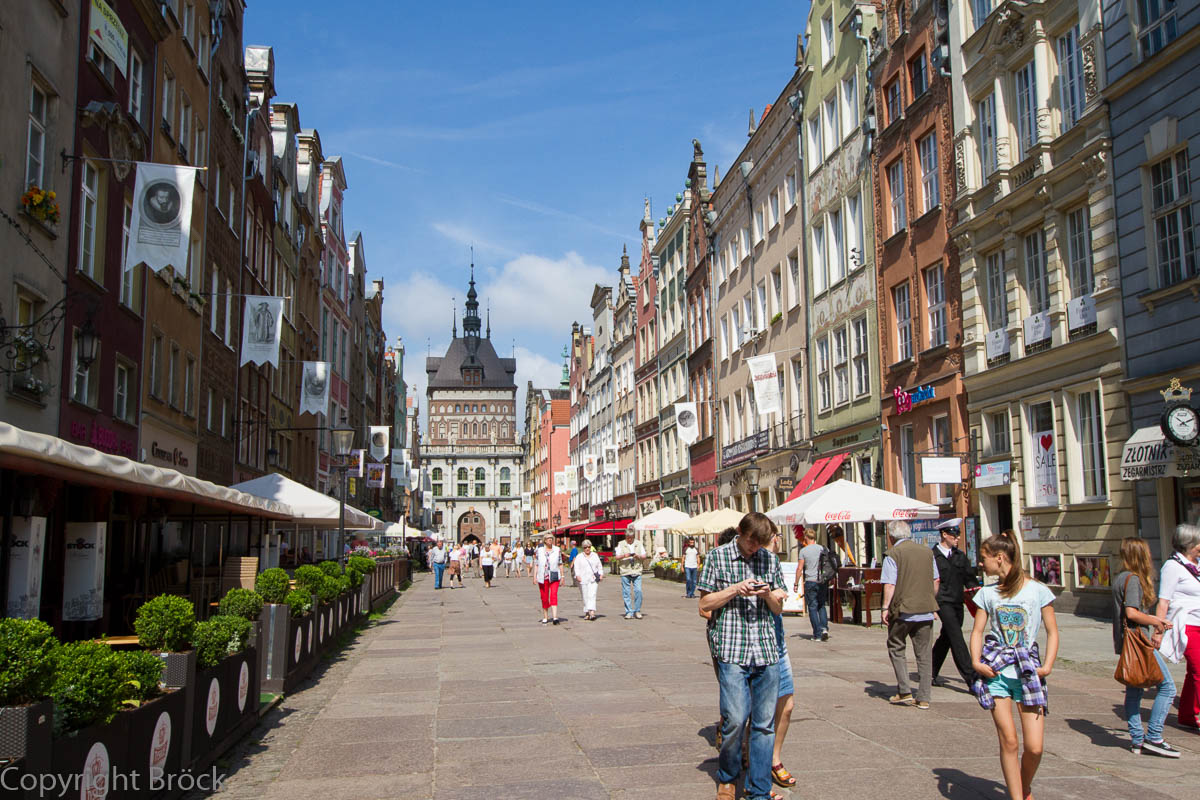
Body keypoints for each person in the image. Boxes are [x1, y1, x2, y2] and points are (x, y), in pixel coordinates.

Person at [697, 513, 786, 800]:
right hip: (732, 650)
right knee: (735, 719)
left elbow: (777, 609)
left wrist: (767, 595)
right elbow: (705, 603)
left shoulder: (769, 559)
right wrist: (736, 589)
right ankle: (727, 777)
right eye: (750, 542)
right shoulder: (717, 557)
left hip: (765, 650)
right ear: (740, 532)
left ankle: (759, 789)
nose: (754, 548)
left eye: (759, 544)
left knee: (763, 724)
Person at [969, 530, 1058, 800]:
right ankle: (1017, 797)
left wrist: (1048, 665)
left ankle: (1023, 784)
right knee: (1009, 740)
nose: (981, 564)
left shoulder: (1038, 590)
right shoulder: (987, 593)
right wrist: (976, 662)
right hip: (996, 672)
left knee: (1034, 747)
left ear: (1000, 557)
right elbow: (977, 631)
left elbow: (1053, 631)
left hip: (1028, 671)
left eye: (984, 558)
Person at [1114, 537, 1178, 757]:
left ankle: (1137, 741)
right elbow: (1131, 613)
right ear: (1141, 555)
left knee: (1134, 690)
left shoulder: (1120, 577)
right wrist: (1157, 621)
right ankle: (1154, 737)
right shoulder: (1132, 579)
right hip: (1138, 642)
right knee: (1168, 687)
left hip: (1127, 642)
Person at [881, 520, 940, 709]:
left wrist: (884, 608)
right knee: (924, 653)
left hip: (903, 610)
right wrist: (930, 599)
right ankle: (924, 697)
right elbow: (936, 580)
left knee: (896, 646)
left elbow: (890, 584)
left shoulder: (893, 554)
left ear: (891, 537)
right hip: (925, 609)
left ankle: (905, 690)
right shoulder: (927, 552)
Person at [1155, 523, 1200, 732]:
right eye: (1197, 543)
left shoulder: (1196, 565)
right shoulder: (1172, 566)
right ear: (1188, 544)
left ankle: (1188, 714)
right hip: (1187, 625)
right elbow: (1163, 601)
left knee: (1194, 672)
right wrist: (1158, 629)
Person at [932, 518, 981, 688]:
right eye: (954, 534)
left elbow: (970, 581)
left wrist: (979, 598)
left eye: (958, 534)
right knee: (957, 637)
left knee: (947, 637)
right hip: (942, 602)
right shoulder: (933, 556)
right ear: (944, 535)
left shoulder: (960, 557)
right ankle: (972, 678)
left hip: (957, 602)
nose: (957, 538)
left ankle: (930, 670)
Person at [768, 530, 796, 792]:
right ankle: (753, 759)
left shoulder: (774, 564)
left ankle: (775, 759)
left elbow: (783, 601)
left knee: (787, 705)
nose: (779, 539)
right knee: (754, 711)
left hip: (779, 644)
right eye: (776, 536)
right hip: (753, 647)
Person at [794, 529, 829, 641]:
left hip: (810, 581)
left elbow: (800, 568)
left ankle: (817, 634)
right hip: (822, 581)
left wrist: (796, 583)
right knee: (821, 605)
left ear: (806, 538)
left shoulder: (803, 551)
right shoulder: (823, 549)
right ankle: (824, 628)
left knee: (812, 607)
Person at [615, 530, 648, 619]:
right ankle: (629, 611)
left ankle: (637, 610)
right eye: (628, 538)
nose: (629, 540)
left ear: (633, 537)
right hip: (625, 571)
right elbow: (617, 557)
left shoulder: (638, 543)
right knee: (626, 592)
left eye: (631, 538)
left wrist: (638, 556)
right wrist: (624, 556)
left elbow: (645, 556)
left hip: (637, 570)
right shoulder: (621, 544)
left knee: (638, 591)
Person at [534, 533, 563, 624]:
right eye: (548, 538)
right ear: (545, 540)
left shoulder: (557, 550)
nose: (550, 540)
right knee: (544, 597)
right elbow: (537, 564)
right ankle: (545, 616)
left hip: (554, 576)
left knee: (553, 595)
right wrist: (534, 576)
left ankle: (555, 617)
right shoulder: (539, 550)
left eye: (551, 538)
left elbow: (560, 563)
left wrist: (562, 576)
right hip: (543, 577)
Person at [573, 540, 604, 620]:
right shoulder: (579, 556)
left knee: (592, 595)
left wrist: (601, 574)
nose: (587, 549)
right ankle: (587, 612)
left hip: (593, 579)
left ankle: (592, 612)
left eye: (589, 547)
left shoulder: (595, 555)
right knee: (585, 595)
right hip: (583, 579)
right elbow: (576, 567)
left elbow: (599, 566)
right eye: (585, 547)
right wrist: (577, 575)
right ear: (583, 548)